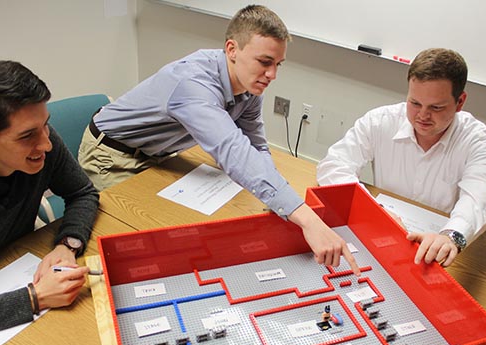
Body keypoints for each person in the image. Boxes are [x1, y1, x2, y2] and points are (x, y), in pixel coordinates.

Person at [78, 5, 360, 275]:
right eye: (264, 62)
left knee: (188, 233)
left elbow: (256, 145)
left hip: (157, 155)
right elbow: (234, 152)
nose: (272, 75)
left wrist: (280, 201)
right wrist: (308, 219)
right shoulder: (193, 84)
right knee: (135, 243)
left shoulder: (248, 85)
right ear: (232, 49)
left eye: (277, 64)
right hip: (111, 155)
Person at [0, 60, 99, 340]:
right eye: (28, 135)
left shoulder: (40, 141)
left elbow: (82, 193)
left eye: (45, 125)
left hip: (10, 261)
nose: (46, 144)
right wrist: (34, 298)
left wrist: (68, 244)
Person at [316, 48, 486, 267]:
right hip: (383, 237)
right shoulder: (381, 121)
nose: (422, 115)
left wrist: (450, 237)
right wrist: (375, 212)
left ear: (460, 102)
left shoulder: (480, 142)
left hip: (435, 253)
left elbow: (478, 201)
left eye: (436, 107)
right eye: (414, 103)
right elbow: (334, 165)